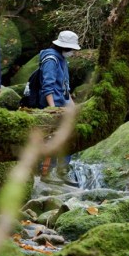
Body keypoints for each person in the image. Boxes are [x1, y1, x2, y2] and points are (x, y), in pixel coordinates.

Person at [37, 30, 81, 185]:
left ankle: (62, 171)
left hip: (62, 104)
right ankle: (47, 172)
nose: (74, 53)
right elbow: (47, 86)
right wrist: (52, 109)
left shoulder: (61, 59)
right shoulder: (50, 59)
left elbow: (64, 87)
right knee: (53, 138)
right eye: (73, 50)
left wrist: (73, 107)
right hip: (53, 106)